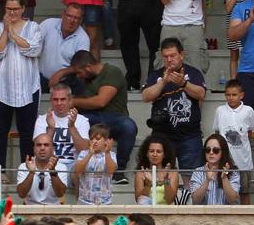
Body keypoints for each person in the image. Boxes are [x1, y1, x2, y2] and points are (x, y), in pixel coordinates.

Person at [0, 0, 43, 172]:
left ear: (23, 9)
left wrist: (14, 35)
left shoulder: (33, 27)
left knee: (27, 132)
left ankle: (26, 170)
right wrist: (5, 30)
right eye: (8, 9)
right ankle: (0, 170)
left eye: (15, 9)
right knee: (0, 130)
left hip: (28, 88)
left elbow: (34, 49)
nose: (12, 12)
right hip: (1, 88)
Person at [142, 37, 207, 174]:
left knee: (194, 180)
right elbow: (146, 96)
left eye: (173, 55)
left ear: (181, 55)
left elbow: (201, 94)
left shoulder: (193, 73)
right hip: (162, 136)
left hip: (190, 136)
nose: (169, 59)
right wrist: (163, 82)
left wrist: (184, 83)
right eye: (166, 57)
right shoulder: (155, 75)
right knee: (161, 179)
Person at [70, 50, 136, 180]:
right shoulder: (84, 80)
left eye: (79, 72)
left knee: (129, 126)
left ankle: (119, 170)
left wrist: (73, 101)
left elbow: (101, 101)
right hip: (90, 119)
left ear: (88, 67)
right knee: (73, 120)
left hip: (114, 119)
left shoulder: (112, 72)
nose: (78, 76)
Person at [39, 3, 91, 93]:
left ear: (81, 20)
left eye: (76, 18)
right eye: (69, 16)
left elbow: (82, 64)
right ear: (63, 14)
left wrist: (61, 73)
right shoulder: (48, 24)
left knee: (80, 82)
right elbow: (32, 44)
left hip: (66, 80)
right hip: (41, 78)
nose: (72, 20)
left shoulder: (83, 38)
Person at [17, 132, 69, 205]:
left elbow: (60, 194)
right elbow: (21, 194)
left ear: (52, 149)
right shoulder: (24, 166)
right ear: (34, 149)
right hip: (30, 210)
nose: (42, 148)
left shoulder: (61, 167)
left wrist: (53, 172)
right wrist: (31, 172)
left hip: (54, 211)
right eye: (38, 145)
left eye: (46, 145)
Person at [188, 133, 240, 205]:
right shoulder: (198, 172)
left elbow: (233, 200)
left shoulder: (232, 172)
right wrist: (207, 180)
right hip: (204, 215)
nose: (211, 153)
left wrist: (224, 178)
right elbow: (195, 200)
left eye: (215, 150)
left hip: (226, 215)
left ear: (223, 152)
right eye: (208, 150)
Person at [73, 123, 117, 206]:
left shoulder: (112, 155)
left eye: (98, 139)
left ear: (106, 140)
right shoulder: (83, 153)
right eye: (91, 139)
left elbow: (111, 171)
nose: (94, 141)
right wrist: (89, 154)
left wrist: (107, 153)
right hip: (84, 201)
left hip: (105, 202)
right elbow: (77, 171)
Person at [133, 133, 178, 206]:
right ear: (146, 154)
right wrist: (148, 184)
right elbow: (138, 199)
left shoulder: (172, 173)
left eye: (159, 151)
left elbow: (170, 200)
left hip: (166, 213)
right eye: (151, 151)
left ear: (164, 155)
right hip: (146, 214)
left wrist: (166, 180)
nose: (155, 154)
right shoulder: (141, 173)